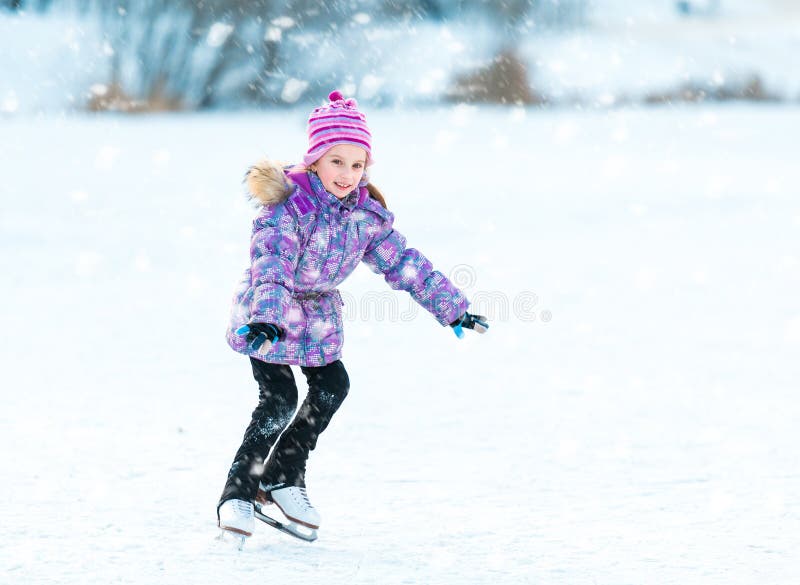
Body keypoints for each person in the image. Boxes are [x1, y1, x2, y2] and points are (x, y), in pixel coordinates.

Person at [217, 90, 489, 540]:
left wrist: (453, 309)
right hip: (268, 313)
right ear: (316, 160)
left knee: (333, 385)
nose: (347, 174)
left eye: (357, 164)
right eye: (336, 161)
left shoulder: (364, 216)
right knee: (279, 399)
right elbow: (272, 262)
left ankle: (283, 474)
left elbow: (405, 263)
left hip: (318, 317)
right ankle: (238, 492)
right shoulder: (288, 206)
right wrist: (267, 316)